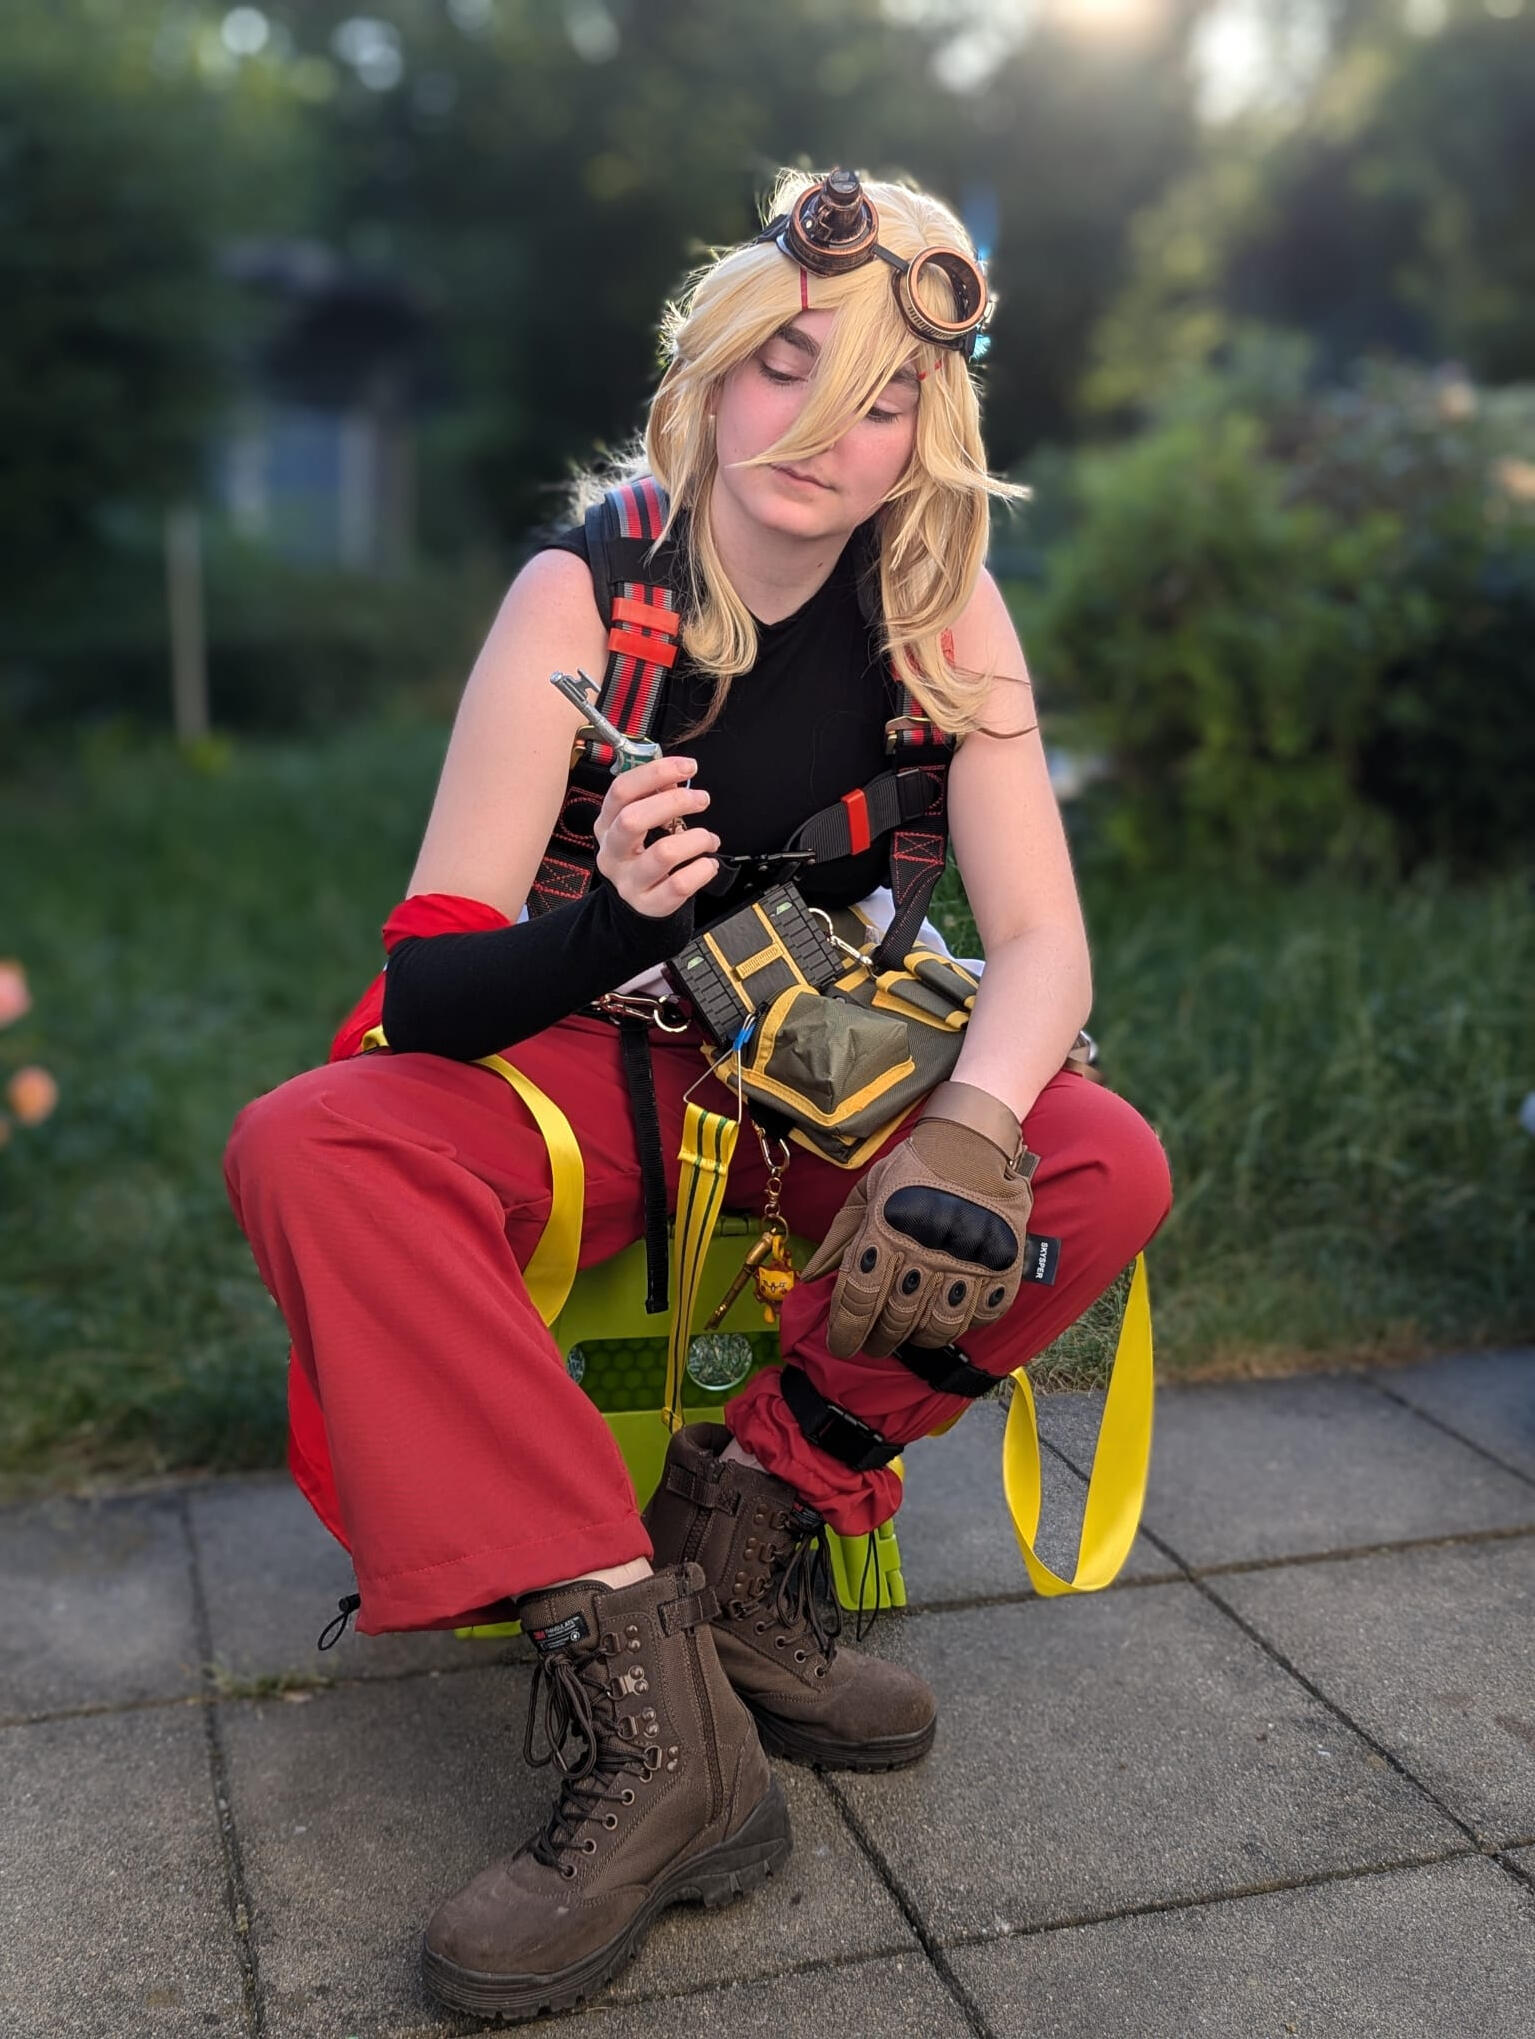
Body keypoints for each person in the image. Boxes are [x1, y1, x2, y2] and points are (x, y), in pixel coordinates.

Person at [223, 167, 1172, 2022]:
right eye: (785, 368)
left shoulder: (947, 613)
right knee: (308, 1146)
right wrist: (614, 922)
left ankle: (745, 1545)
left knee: (1095, 1164)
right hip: (579, 1067)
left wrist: (973, 1123)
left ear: (926, 437)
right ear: (713, 375)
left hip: (815, 1073)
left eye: (879, 399)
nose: (819, 431)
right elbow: (428, 983)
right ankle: (656, 1722)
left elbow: (1043, 947)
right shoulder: (587, 589)